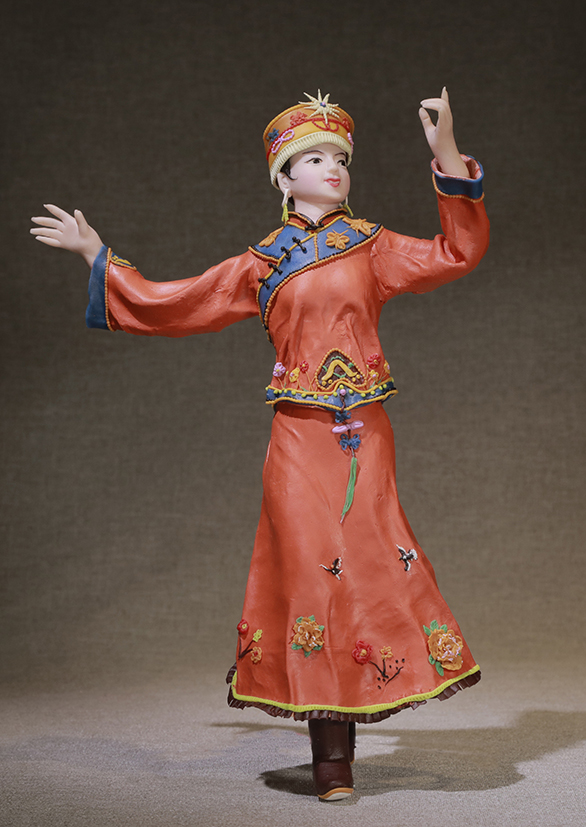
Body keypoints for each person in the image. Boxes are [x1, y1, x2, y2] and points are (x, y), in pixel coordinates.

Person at [31, 88, 489, 801]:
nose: (332, 168)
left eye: (340, 158)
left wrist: (447, 155)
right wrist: (99, 257)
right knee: (311, 575)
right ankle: (330, 758)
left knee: (368, 567)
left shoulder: (372, 246)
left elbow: (458, 251)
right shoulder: (262, 263)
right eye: (314, 158)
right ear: (283, 178)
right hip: (297, 439)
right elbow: (175, 302)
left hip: (362, 435)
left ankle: (352, 727)